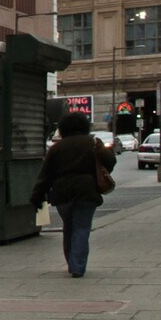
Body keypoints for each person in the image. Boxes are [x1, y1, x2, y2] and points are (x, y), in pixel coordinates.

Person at [31, 108, 115, 277]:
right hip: (87, 190)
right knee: (82, 228)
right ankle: (77, 266)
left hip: (62, 193)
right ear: (85, 126)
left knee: (68, 227)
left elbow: (45, 174)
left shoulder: (56, 148)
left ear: (63, 128)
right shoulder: (92, 143)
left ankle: (72, 262)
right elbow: (110, 163)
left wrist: (37, 196)